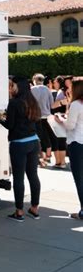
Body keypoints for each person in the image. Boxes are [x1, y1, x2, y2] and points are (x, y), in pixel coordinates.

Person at [0, 76, 42, 222]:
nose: (11, 88)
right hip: (34, 141)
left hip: (19, 144)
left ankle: (19, 212)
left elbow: (10, 125)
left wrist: (0, 118)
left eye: (13, 85)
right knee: (33, 176)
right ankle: (35, 208)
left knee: (18, 178)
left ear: (19, 87)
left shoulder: (14, 103)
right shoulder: (32, 101)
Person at [55, 78, 83, 220]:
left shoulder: (76, 105)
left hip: (77, 143)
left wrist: (61, 120)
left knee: (79, 178)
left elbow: (70, 126)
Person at [31, 73, 56, 166]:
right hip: (46, 116)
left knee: (37, 137)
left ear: (34, 80)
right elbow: (51, 103)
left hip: (35, 116)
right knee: (46, 136)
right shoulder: (47, 89)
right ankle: (48, 156)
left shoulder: (32, 89)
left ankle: (40, 157)